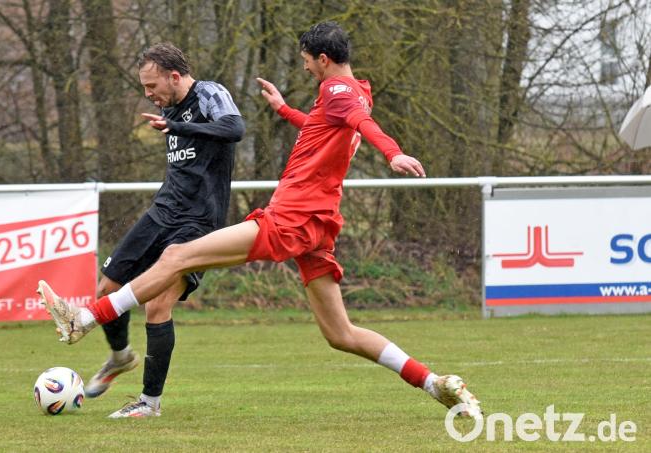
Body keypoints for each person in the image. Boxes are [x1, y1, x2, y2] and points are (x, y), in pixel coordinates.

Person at [38, 22, 481, 418]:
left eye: (307, 61)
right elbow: (325, 128)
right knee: (341, 333)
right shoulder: (355, 90)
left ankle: (86, 319)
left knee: (176, 256)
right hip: (319, 223)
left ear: (323, 59)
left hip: (293, 216)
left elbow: (363, 123)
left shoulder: (338, 92)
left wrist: (393, 153)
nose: (305, 68)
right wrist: (284, 110)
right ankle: (433, 382)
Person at [68, 43, 245, 418]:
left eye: (152, 85)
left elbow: (235, 128)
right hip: (163, 211)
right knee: (106, 287)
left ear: (174, 76)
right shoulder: (168, 108)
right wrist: (173, 121)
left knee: (158, 304)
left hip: (198, 221)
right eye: (145, 87)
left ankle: (149, 403)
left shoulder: (209, 93)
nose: (149, 94)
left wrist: (178, 126)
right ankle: (120, 357)